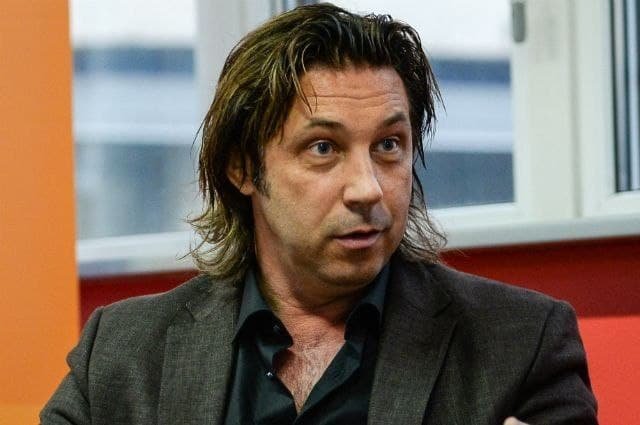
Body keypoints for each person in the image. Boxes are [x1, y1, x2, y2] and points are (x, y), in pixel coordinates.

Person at [41, 3, 597, 424]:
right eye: (323, 148)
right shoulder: (123, 353)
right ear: (243, 168)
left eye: (389, 146)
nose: (368, 189)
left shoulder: (520, 343)